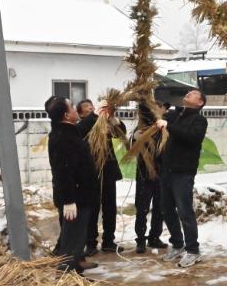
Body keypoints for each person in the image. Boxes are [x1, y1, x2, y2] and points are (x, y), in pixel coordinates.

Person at [46, 96, 100, 273]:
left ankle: (76, 263)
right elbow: (64, 171)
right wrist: (69, 200)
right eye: (72, 108)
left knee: (79, 234)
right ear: (66, 115)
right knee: (72, 237)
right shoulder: (62, 138)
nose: (76, 110)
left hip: (82, 194)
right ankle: (67, 272)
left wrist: (100, 113)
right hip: (75, 196)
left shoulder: (69, 131)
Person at [157, 88, 208, 267]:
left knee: (185, 211)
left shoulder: (199, 120)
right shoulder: (175, 115)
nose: (188, 94)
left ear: (200, 102)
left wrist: (168, 126)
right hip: (167, 170)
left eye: (193, 93)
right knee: (167, 209)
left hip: (183, 171)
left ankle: (193, 250)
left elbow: (192, 138)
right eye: (188, 92)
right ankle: (178, 244)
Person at [78, 98, 126, 255]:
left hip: (108, 171)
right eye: (87, 108)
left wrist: (113, 118)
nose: (91, 109)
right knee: (92, 208)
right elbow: (84, 129)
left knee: (110, 207)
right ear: (80, 114)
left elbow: (121, 133)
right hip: (90, 173)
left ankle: (109, 241)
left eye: (92, 106)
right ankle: (90, 243)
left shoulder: (105, 122)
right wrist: (97, 115)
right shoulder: (82, 126)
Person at [132, 101, 167, 254]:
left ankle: (154, 237)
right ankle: (140, 239)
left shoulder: (164, 129)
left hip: (161, 174)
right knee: (142, 208)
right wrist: (135, 138)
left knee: (160, 208)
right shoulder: (140, 130)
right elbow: (131, 149)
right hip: (144, 174)